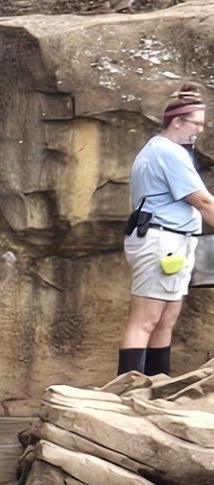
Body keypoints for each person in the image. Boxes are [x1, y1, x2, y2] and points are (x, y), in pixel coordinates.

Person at [120, 87, 211, 379]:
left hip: (174, 242)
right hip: (161, 241)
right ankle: (126, 391)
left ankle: (158, 389)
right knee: (144, 321)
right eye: (196, 123)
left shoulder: (163, 150)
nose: (200, 129)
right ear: (177, 121)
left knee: (165, 320)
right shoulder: (167, 152)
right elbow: (202, 201)